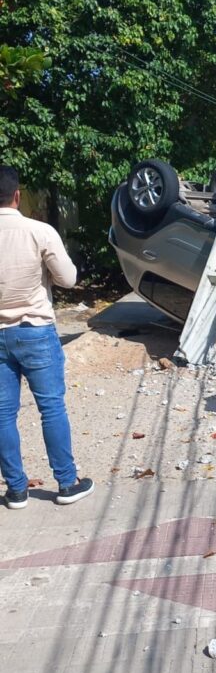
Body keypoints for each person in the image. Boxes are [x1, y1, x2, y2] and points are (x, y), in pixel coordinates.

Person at [0, 166, 93, 508]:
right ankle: (67, 483)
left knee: (1, 414)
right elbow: (68, 279)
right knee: (51, 408)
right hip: (35, 330)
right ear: (17, 195)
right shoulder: (39, 232)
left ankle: (16, 490)